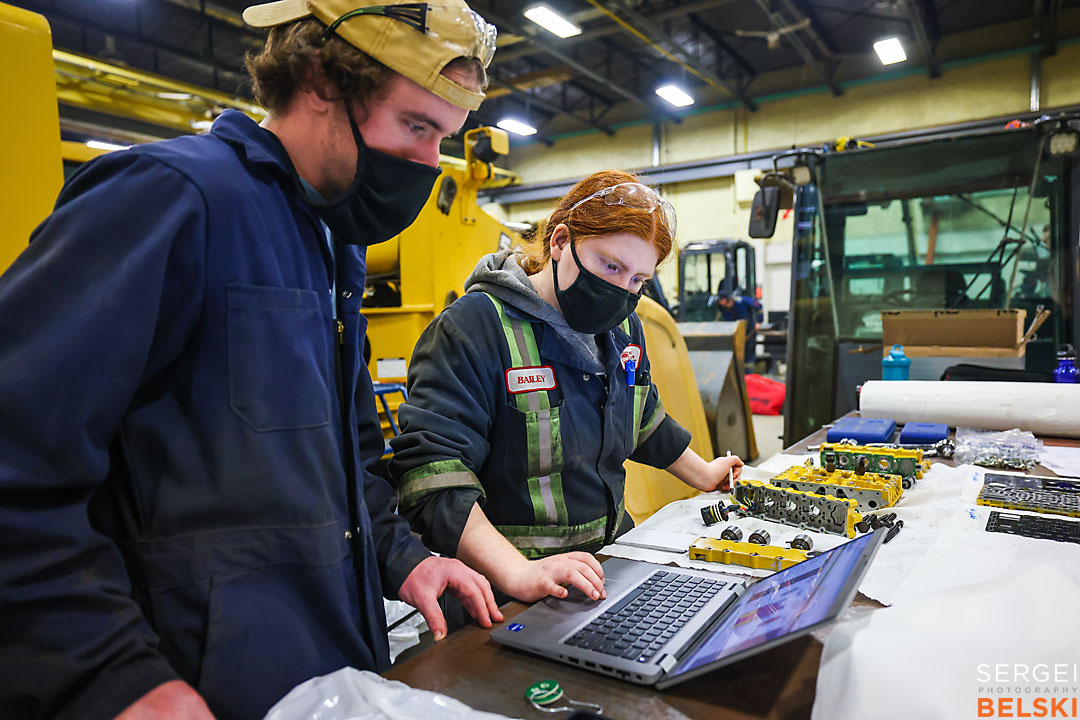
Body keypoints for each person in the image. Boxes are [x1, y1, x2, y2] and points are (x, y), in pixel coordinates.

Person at [0, 2, 503, 719]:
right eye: (416, 127)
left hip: (327, 680)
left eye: (443, 137)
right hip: (194, 689)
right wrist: (110, 675)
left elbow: (348, 459)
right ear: (319, 78)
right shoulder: (172, 198)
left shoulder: (335, 244)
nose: (429, 164)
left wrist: (405, 558)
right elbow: (14, 460)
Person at [387, 170, 744, 611]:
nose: (620, 291)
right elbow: (434, 477)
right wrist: (520, 572)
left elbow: (641, 416)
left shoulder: (624, 328)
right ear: (559, 242)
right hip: (507, 593)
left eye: (637, 280)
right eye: (610, 266)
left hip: (609, 567)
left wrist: (705, 474)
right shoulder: (473, 329)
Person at [715, 288, 762, 368]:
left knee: (748, 356)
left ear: (725, 299)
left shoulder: (742, 302)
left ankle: (748, 375)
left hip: (749, 333)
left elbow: (759, 306)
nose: (719, 302)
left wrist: (759, 321)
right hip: (734, 335)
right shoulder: (722, 309)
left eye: (721, 300)